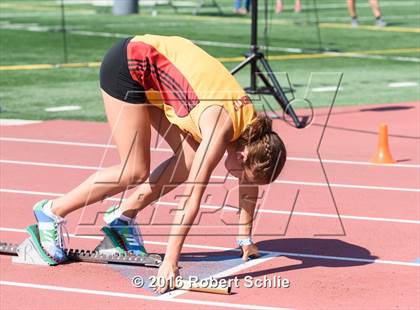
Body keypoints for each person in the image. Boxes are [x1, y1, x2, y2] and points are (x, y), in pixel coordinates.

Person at [32, 34, 287, 293]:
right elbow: (191, 201)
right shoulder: (221, 129)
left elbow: (248, 184)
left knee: (188, 161)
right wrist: (170, 262)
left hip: (158, 78)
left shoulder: (254, 132)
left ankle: (122, 220)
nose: (241, 181)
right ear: (242, 156)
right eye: (243, 176)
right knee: (134, 170)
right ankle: (51, 211)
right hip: (129, 66)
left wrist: (245, 239)